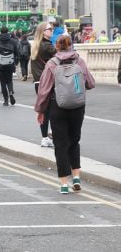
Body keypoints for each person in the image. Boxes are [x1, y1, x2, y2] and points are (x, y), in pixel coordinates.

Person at [34, 34, 95, 194]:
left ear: (57, 47)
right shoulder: (79, 61)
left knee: (60, 145)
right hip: (77, 107)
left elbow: (44, 90)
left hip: (57, 107)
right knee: (74, 141)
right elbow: (90, 83)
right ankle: (76, 177)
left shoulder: (52, 64)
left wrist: (40, 110)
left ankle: (63, 183)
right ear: (71, 45)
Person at [30, 21, 57, 147]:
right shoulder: (47, 46)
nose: (52, 30)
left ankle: (45, 137)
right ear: (43, 32)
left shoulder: (36, 45)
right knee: (54, 108)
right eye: (49, 29)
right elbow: (62, 55)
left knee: (44, 110)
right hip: (48, 82)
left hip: (38, 82)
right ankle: (51, 133)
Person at [0, 26, 18, 106]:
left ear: (0, 32)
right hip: (10, 64)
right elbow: (17, 54)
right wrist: (15, 63)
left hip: (0, 65)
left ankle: (6, 100)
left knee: (3, 82)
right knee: (9, 80)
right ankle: (10, 92)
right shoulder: (13, 41)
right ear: (8, 32)